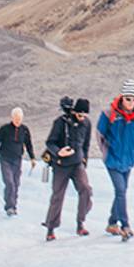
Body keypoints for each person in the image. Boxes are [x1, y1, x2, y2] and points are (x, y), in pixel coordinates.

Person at [96, 79, 134, 241]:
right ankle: (125, 225)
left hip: (128, 160)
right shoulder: (109, 113)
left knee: (122, 191)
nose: (130, 103)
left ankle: (112, 223)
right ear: (122, 97)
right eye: (127, 98)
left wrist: (132, 148)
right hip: (112, 160)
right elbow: (99, 134)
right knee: (120, 191)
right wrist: (106, 153)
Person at [42, 97, 93, 241]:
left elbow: (86, 144)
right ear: (74, 111)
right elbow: (49, 142)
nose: (82, 117)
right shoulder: (60, 123)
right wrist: (59, 152)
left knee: (86, 189)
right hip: (60, 165)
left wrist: (84, 160)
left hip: (77, 164)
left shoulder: (87, 123)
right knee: (58, 196)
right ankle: (51, 229)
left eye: (85, 115)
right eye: (80, 114)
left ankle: (80, 223)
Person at [0, 106, 36, 216]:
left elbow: (29, 144)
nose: (17, 120)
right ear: (12, 117)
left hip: (17, 159)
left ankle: (14, 206)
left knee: (16, 183)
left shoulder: (24, 130)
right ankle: (9, 206)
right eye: (16, 118)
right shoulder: (4, 129)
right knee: (9, 183)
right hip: (5, 159)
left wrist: (32, 158)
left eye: (19, 118)